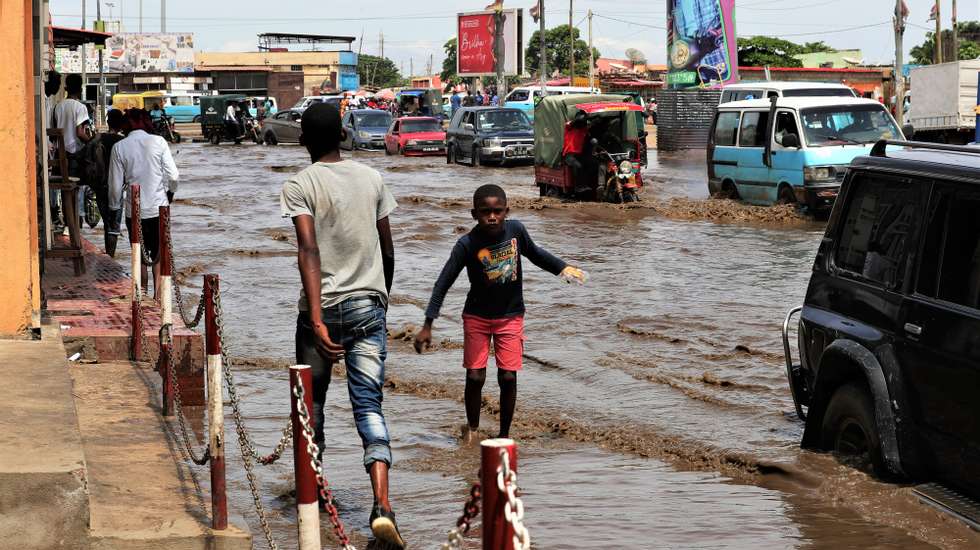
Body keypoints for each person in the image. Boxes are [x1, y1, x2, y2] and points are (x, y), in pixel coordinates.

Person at [279, 103, 404, 548]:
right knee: (369, 406)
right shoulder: (372, 178)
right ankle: (382, 505)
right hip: (368, 306)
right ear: (343, 136)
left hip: (322, 309)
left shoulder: (299, 185)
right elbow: (388, 248)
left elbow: (308, 251)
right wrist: (380, 297)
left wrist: (315, 319)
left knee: (312, 406)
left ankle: (311, 494)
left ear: (303, 140)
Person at [413, 184, 585, 439]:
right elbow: (443, 282)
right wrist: (428, 323)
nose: (492, 217)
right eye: (485, 212)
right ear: (474, 214)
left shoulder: (516, 232)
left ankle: (504, 436)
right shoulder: (467, 244)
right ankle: (471, 430)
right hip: (477, 317)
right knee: (475, 376)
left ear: (506, 211)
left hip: (511, 316)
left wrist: (563, 268)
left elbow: (536, 255)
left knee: (507, 377)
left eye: (497, 211)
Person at [108, 109, 179, 299]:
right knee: (158, 255)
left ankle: (141, 299)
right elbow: (173, 176)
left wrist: (114, 208)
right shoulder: (159, 142)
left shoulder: (119, 147)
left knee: (138, 256)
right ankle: (158, 299)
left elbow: (114, 187)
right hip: (158, 208)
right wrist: (170, 193)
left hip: (134, 211)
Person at [563, 111, 593, 194]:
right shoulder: (570, 126)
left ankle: (587, 185)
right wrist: (581, 118)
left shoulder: (584, 129)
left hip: (579, 155)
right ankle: (578, 187)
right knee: (578, 166)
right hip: (569, 155)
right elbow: (573, 122)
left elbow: (590, 132)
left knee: (590, 164)